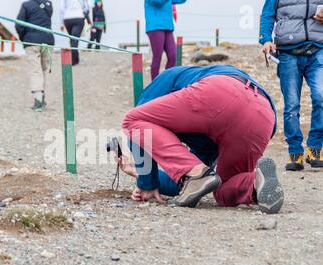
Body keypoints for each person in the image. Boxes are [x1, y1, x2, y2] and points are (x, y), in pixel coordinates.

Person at [121, 65, 285, 214]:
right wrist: (134, 171)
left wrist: (146, 182)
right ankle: (255, 183)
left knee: (133, 121)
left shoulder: (167, 78)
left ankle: (198, 174)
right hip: (264, 117)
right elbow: (188, 181)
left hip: (219, 92)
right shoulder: (201, 144)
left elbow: (140, 132)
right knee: (222, 190)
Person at [260, 0, 323, 171]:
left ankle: (315, 149)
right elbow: (267, 15)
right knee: (292, 106)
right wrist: (265, 39)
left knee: (321, 97)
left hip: (318, 49)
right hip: (288, 53)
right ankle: (295, 153)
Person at [16, 0, 55, 112]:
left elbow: (19, 25)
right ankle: (43, 98)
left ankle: (38, 101)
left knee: (35, 70)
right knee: (45, 70)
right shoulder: (49, 4)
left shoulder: (26, 5)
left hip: (32, 41)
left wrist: (24, 38)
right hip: (48, 40)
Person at [145, 0, 187, 81]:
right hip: (155, 27)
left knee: (173, 55)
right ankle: (155, 84)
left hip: (168, 27)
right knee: (157, 57)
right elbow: (158, 3)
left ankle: (166, 81)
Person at [60, 0, 91, 66]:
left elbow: (62, 9)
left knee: (72, 39)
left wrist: (61, 24)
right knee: (75, 39)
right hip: (78, 17)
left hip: (67, 18)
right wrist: (87, 18)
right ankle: (75, 60)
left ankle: (74, 59)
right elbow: (87, 7)